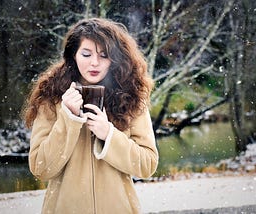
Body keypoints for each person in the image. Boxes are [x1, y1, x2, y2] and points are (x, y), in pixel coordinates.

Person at [22, 17, 158, 214]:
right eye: (86, 54)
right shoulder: (51, 96)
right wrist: (68, 119)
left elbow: (147, 165)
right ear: (73, 55)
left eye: (104, 55)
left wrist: (109, 135)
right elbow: (40, 168)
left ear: (114, 59)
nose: (95, 63)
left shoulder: (131, 96)